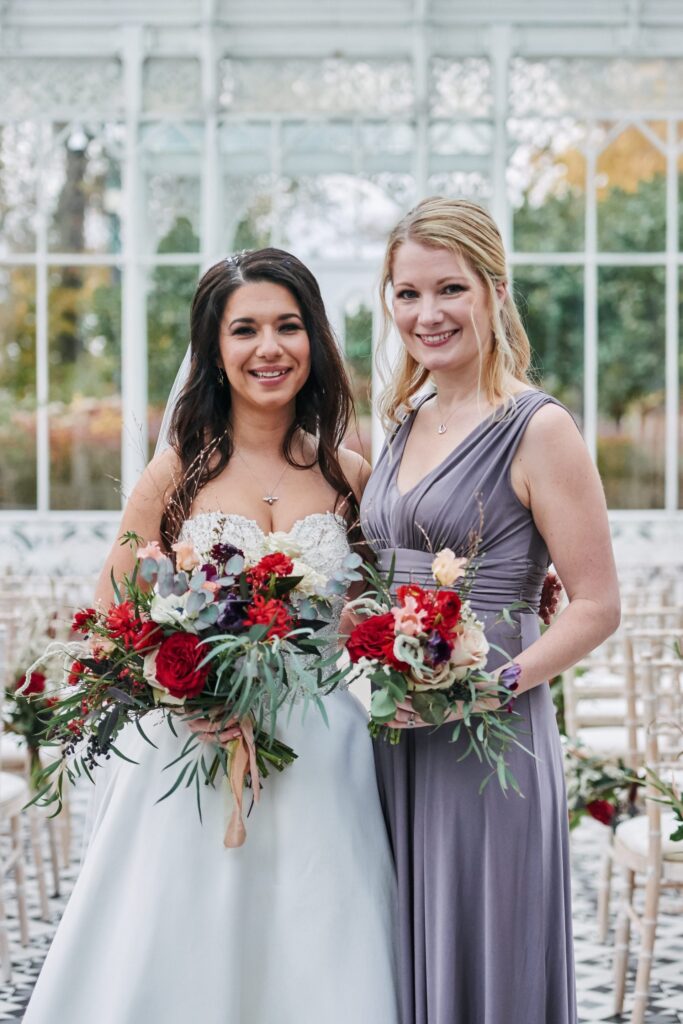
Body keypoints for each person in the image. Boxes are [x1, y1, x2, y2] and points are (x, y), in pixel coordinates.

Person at [23, 249, 399, 1024]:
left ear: (314, 340)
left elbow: (370, 614)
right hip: (192, 745)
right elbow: (112, 618)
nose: (270, 348)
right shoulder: (175, 474)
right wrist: (182, 688)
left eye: (288, 326)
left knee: (319, 945)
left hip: (322, 753)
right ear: (214, 347)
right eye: (246, 330)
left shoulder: (350, 476)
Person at [360, 197, 621, 1024]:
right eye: (406, 294)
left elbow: (597, 604)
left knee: (484, 947)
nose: (426, 314)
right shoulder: (403, 424)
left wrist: (487, 684)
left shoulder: (538, 429)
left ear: (494, 291)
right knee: (396, 951)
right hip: (389, 731)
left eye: (449, 289)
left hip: (487, 736)